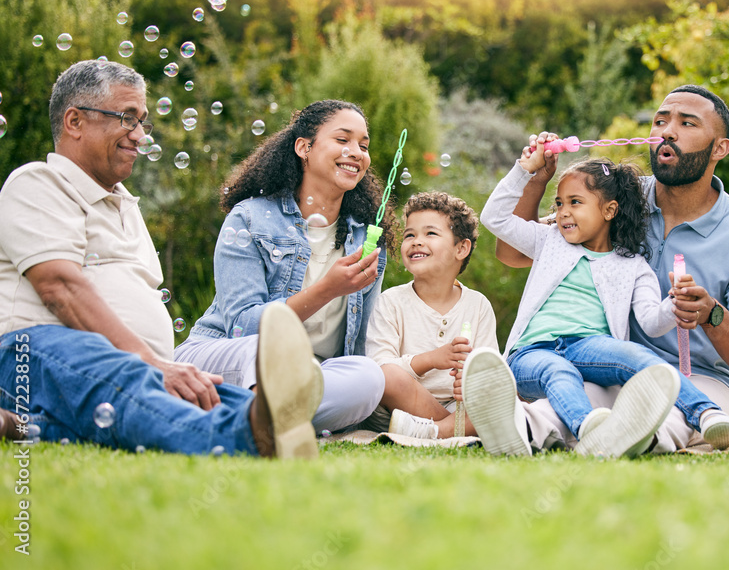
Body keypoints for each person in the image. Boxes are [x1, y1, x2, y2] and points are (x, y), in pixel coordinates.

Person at [0, 60, 321, 458]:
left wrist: (163, 367)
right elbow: (60, 287)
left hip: (122, 368)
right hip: (38, 352)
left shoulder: (125, 205)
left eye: (143, 122)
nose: (140, 136)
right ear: (74, 121)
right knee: (131, 376)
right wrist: (151, 361)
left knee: (214, 394)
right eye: (127, 118)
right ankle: (244, 437)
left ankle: (269, 423)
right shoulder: (39, 182)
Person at [497, 85, 729, 453]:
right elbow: (511, 253)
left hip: (704, 381)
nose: (667, 131)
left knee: (670, 418)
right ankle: (520, 428)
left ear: (719, 148)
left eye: (687, 123)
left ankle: (636, 437)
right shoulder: (615, 202)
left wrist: (711, 315)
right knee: (563, 404)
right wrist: (537, 181)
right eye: (661, 120)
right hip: (608, 362)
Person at [174, 100, 443, 435]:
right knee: (267, 349)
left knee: (368, 375)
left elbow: (359, 344)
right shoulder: (251, 218)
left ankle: (256, 420)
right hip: (231, 355)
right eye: (343, 140)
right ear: (304, 147)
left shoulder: (366, 238)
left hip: (312, 374)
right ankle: (266, 418)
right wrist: (326, 290)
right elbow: (243, 325)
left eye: (363, 145)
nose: (356, 152)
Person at [478, 151, 729, 457]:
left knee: (636, 356)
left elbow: (652, 323)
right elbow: (493, 217)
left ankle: (707, 413)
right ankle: (589, 428)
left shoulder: (632, 264)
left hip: (589, 347)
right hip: (532, 352)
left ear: (609, 210)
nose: (563, 212)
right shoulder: (548, 240)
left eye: (575, 202)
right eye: (559, 203)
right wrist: (524, 170)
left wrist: (675, 303)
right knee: (558, 371)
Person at [365, 191, 499, 439]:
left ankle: (433, 432)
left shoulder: (478, 305)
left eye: (430, 233)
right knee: (386, 375)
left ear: (461, 248)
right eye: (409, 235)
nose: (416, 241)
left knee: (502, 391)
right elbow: (379, 366)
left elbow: (488, 370)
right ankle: (451, 431)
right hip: (399, 407)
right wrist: (431, 359)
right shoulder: (391, 302)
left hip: (457, 406)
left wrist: (471, 382)